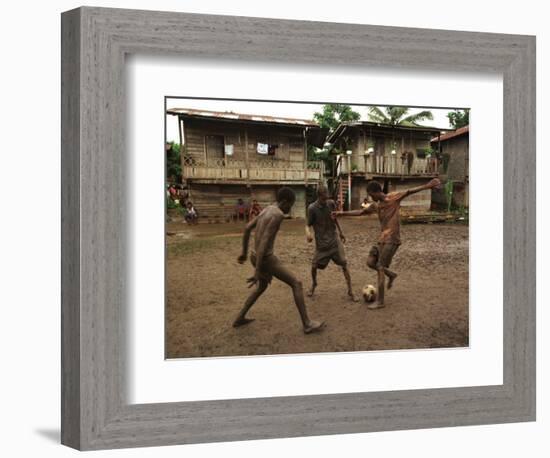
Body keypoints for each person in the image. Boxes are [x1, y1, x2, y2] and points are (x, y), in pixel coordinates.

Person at [334, 178, 441, 309]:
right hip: (382, 239)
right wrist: (341, 213)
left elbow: (410, 191)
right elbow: (361, 212)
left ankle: (380, 301)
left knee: (379, 267)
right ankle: (391, 275)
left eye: (371, 194)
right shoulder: (376, 205)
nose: (370, 197)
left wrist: (428, 186)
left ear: (376, 192)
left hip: (392, 239)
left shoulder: (393, 197)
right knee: (370, 262)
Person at [234, 187, 324, 334]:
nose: (291, 208)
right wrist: (257, 270)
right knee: (296, 284)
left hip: (254, 255)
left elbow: (247, 227)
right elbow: (264, 242)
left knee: (261, 287)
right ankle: (307, 324)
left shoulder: (267, 209)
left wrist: (244, 253)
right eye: (291, 204)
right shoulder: (278, 215)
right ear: (285, 202)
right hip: (265, 259)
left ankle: (239, 318)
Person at [305, 185, 356, 301]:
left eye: (326, 197)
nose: (325, 200)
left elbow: (335, 218)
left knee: (344, 264)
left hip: (334, 241)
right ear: (318, 196)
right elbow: (308, 224)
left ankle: (350, 291)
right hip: (322, 245)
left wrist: (341, 232)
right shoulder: (312, 208)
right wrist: (308, 233)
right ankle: (314, 284)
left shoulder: (331, 203)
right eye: (323, 198)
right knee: (314, 266)